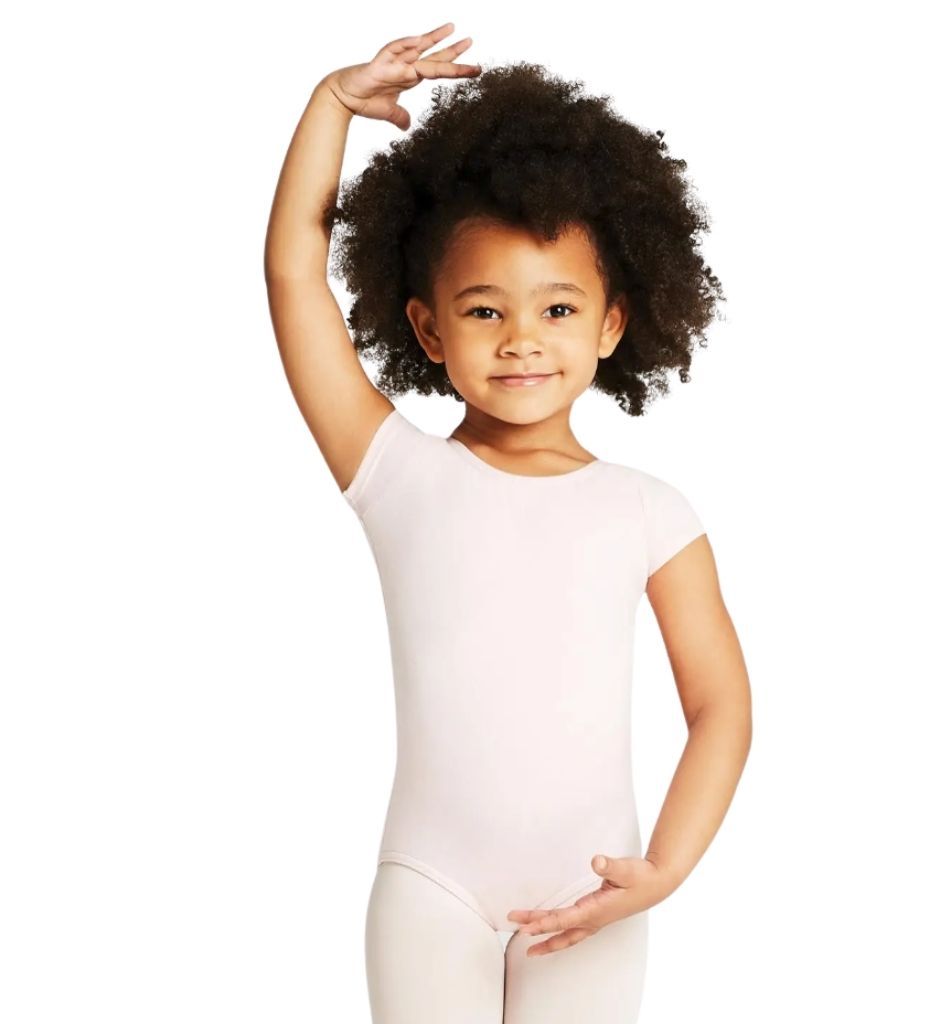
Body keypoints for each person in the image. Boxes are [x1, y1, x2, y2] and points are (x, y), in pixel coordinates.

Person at [264, 22, 752, 1024]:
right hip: (430, 885)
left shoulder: (650, 511)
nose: (523, 339)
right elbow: (292, 281)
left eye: (559, 311)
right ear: (427, 327)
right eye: (485, 311)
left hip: (594, 891)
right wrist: (328, 108)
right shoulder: (394, 470)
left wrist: (661, 871)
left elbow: (722, 710)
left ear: (615, 323)